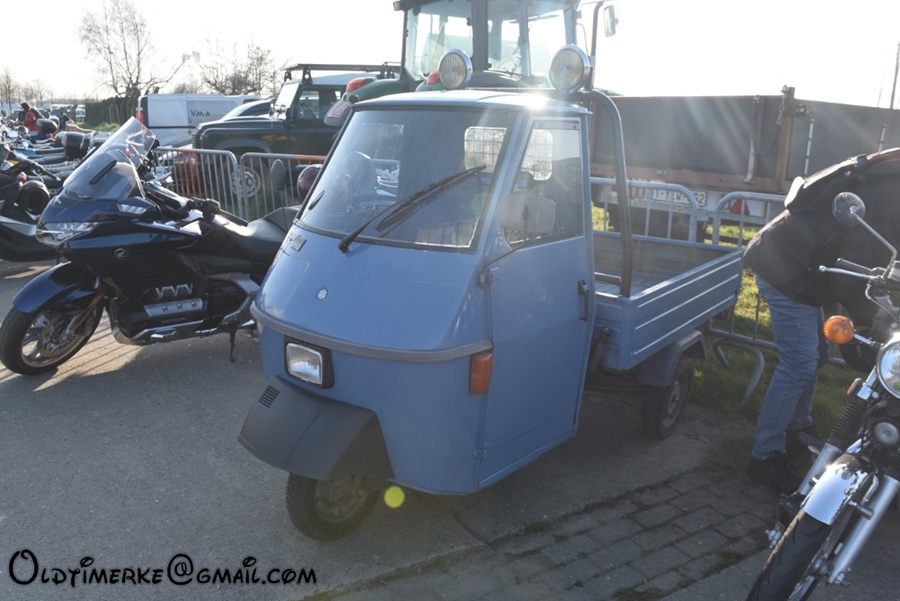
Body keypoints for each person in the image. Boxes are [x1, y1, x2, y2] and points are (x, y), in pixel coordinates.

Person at [742, 150, 900, 494]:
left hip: (801, 265)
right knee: (800, 362)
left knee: (817, 355)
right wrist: (877, 317)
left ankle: (796, 429)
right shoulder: (890, 197)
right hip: (787, 270)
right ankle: (765, 455)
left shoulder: (891, 180)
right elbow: (856, 273)